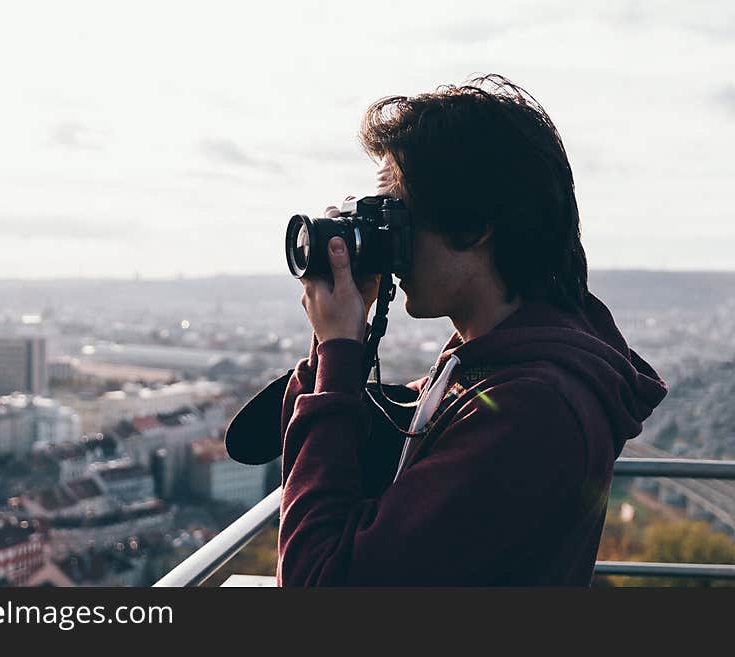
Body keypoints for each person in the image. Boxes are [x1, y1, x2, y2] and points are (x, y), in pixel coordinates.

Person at [277, 74, 668, 586]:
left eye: (396, 215)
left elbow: (315, 584)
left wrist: (339, 351)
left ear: (473, 226)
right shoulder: (490, 362)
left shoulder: (532, 408)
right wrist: (332, 349)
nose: (388, 240)